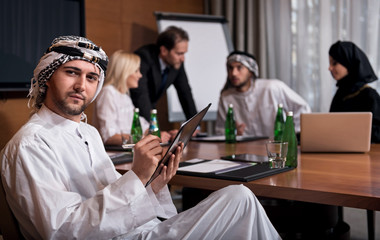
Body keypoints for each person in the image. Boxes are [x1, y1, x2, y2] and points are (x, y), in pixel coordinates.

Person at [0, 36, 280, 239]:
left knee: (239, 197)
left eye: (91, 78)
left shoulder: (87, 132)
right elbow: (60, 231)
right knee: (239, 202)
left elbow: (114, 200)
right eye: (71, 73)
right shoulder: (31, 144)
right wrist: (136, 176)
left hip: (132, 231)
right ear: (48, 77)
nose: (80, 86)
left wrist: (152, 184)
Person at [215, 50, 311, 137]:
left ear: (251, 72)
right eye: (230, 68)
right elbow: (220, 131)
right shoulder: (226, 97)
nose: (234, 73)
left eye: (239, 68)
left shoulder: (272, 87)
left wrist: (292, 135)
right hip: (243, 151)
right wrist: (234, 132)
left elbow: (303, 109)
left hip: (277, 149)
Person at [93, 50, 171, 145]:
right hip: (114, 155)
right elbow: (109, 137)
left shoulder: (125, 96)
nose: (140, 75)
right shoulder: (108, 92)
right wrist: (144, 138)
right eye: (136, 71)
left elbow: (142, 125)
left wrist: (159, 134)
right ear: (124, 72)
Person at [130, 26, 197, 122]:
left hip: (149, 112)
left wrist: (194, 125)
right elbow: (141, 96)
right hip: (133, 114)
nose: (183, 59)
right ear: (164, 50)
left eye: (184, 53)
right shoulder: (144, 57)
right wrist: (153, 128)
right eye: (179, 53)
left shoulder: (176, 62)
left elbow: (185, 93)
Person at [328, 40, 380, 142]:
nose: (329, 68)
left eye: (334, 63)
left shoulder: (370, 95)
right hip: (338, 151)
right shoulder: (340, 94)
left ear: (349, 62)